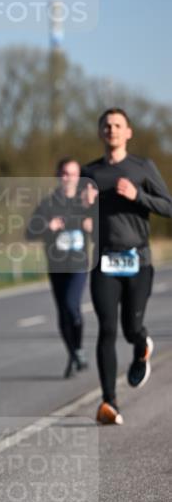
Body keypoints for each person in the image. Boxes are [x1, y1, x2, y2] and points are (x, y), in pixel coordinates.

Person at [82, 108, 172, 425]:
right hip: (104, 260)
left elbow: (168, 206)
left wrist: (138, 196)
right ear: (100, 132)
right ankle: (109, 402)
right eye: (106, 125)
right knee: (106, 329)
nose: (112, 130)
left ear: (128, 132)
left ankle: (141, 343)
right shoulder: (89, 172)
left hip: (139, 260)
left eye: (118, 125)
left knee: (130, 328)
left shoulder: (142, 167)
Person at [26, 158, 92, 378]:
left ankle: (79, 349)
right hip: (56, 265)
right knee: (63, 311)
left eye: (73, 173)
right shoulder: (48, 203)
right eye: (64, 173)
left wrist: (92, 225)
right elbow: (29, 232)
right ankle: (73, 355)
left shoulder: (86, 202)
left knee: (72, 306)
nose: (68, 178)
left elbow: (103, 227)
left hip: (79, 265)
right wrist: (48, 226)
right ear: (58, 175)